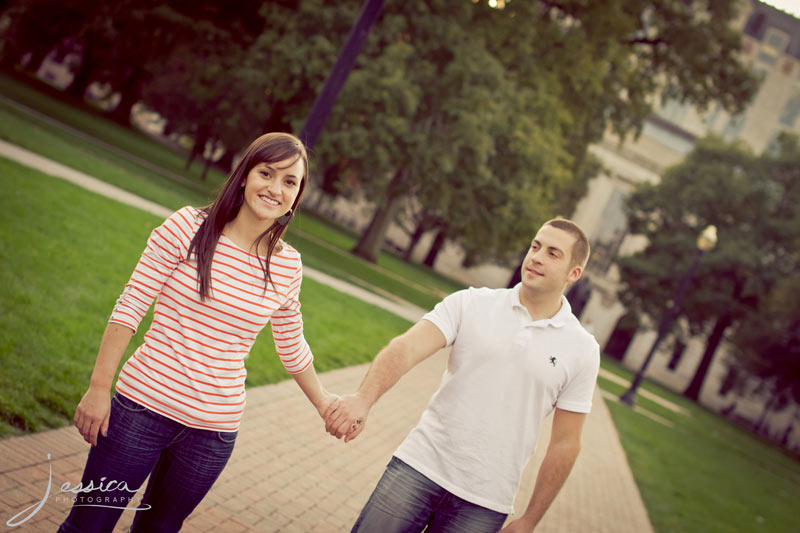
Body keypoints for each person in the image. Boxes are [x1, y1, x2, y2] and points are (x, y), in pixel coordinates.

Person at [59, 132, 336, 533]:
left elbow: (291, 344)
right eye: (266, 173)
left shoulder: (288, 265)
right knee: (88, 526)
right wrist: (100, 386)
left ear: (297, 195)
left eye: (289, 181)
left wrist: (324, 403)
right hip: (140, 411)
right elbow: (132, 303)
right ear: (244, 176)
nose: (275, 188)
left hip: (212, 435)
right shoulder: (188, 226)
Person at [324, 218, 600, 533]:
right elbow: (407, 347)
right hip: (418, 468)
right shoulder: (472, 303)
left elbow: (566, 443)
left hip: (484, 503)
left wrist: (530, 520)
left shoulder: (583, 349)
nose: (536, 257)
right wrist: (364, 398)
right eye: (535, 246)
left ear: (573, 273)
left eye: (553, 253)